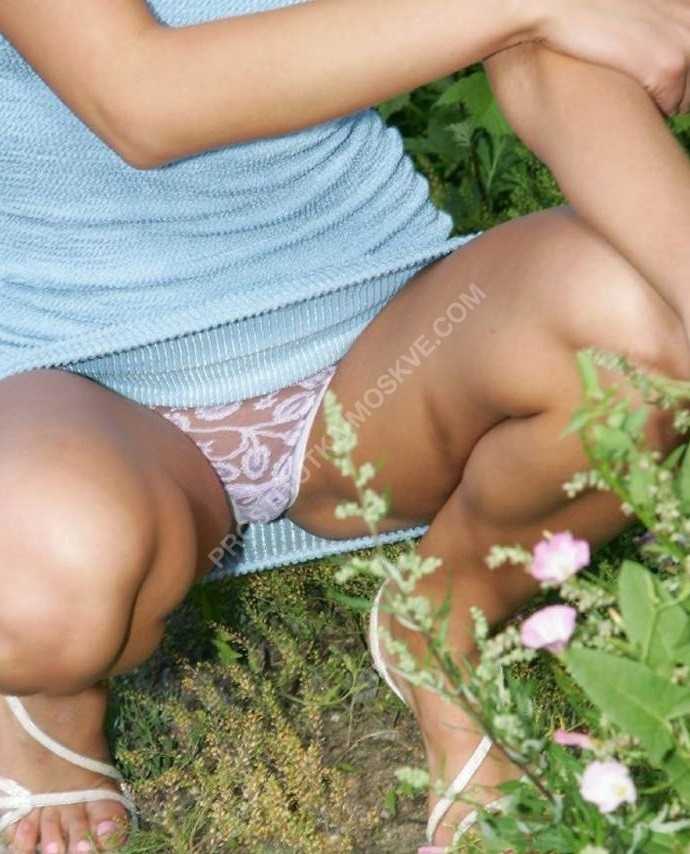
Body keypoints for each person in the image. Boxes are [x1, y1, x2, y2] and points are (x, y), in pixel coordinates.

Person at [2, 0, 690, 851]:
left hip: (383, 352)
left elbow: (553, 55)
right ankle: (51, 693)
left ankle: (443, 622)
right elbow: (139, 98)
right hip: (80, 382)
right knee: (40, 598)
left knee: (641, 324)